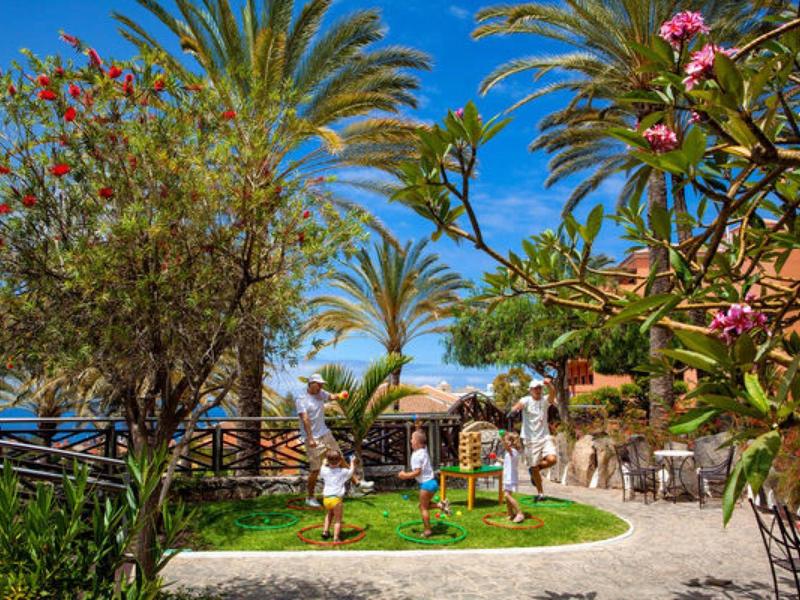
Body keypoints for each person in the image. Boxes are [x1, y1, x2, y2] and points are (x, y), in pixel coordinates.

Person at [296, 373, 373, 507]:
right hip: (312, 438)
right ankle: (310, 497)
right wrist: (309, 438)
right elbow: (305, 419)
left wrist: (341, 394)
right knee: (315, 469)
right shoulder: (301, 399)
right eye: (318, 384)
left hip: (325, 433)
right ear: (311, 383)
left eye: (322, 384)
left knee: (340, 458)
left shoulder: (320, 393)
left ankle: (358, 484)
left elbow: (331, 396)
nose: (321, 386)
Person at [511, 377, 557, 502]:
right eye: (535, 388)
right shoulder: (526, 400)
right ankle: (541, 493)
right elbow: (518, 406)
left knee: (552, 459)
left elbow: (553, 394)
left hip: (545, 436)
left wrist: (550, 384)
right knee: (534, 466)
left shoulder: (545, 400)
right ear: (530, 390)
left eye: (540, 388)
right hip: (530, 439)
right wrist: (514, 411)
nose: (538, 390)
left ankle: (535, 469)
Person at [397, 429, 450, 537]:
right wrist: (418, 428)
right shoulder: (423, 450)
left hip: (426, 485)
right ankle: (441, 505)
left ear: (416, 442)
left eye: (412, 439)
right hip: (433, 483)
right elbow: (422, 438)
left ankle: (427, 530)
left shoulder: (416, 456)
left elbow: (417, 472)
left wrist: (404, 476)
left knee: (423, 508)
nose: (410, 441)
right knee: (422, 506)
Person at [319, 450, 355, 542]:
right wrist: (352, 461)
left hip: (326, 499)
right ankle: (336, 538)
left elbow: (323, 465)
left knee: (329, 514)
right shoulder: (343, 471)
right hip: (336, 500)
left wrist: (324, 462)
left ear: (327, 461)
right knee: (338, 520)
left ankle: (325, 532)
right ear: (340, 461)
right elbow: (351, 472)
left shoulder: (324, 470)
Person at [501, 431, 525, 522]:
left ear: (511, 442)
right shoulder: (510, 453)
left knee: (507, 495)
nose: (505, 442)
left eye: (507, 440)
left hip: (510, 477)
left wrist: (502, 438)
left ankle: (519, 513)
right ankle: (510, 514)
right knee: (507, 497)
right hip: (507, 477)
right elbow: (507, 462)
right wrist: (497, 459)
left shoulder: (513, 451)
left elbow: (507, 448)